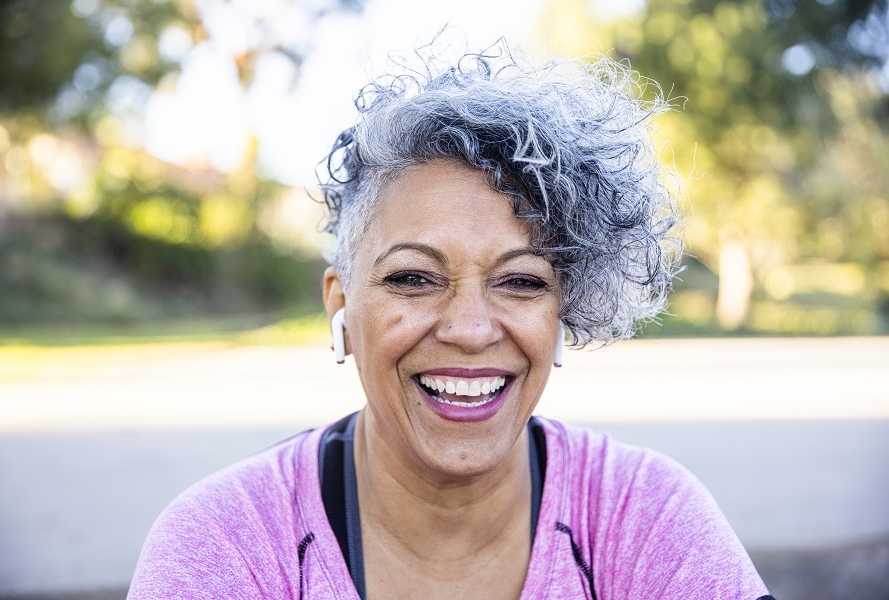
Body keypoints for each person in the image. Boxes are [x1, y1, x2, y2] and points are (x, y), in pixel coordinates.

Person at [127, 40, 776, 599]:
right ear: (342, 308)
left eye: (521, 281)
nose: (470, 329)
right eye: (414, 278)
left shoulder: (645, 517)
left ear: (562, 313)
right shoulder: (225, 543)